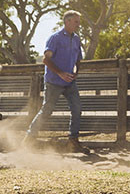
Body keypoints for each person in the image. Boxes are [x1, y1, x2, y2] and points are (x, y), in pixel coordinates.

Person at [22, 10, 88, 153]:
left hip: (70, 83)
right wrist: (61, 73)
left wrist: (76, 72)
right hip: (53, 82)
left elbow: (78, 59)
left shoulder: (76, 39)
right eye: (76, 21)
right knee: (47, 111)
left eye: (78, 22)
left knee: (77, 109)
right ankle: (29, 140)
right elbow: (46, 59)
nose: (78, 24)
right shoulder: (55, 38)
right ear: (67, 21)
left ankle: (73, 142)